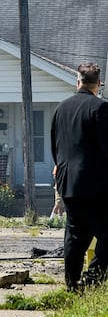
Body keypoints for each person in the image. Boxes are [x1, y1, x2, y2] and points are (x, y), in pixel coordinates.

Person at [50, 61, 108, 289]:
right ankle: (93, 278)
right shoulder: (100, 108)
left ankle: (72, 283)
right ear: (99, 84)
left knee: (76, 235)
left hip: (68, 182)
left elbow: (56, 148)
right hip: (95, 184)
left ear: (78, 82)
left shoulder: (60, 109)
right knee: (105, 233)